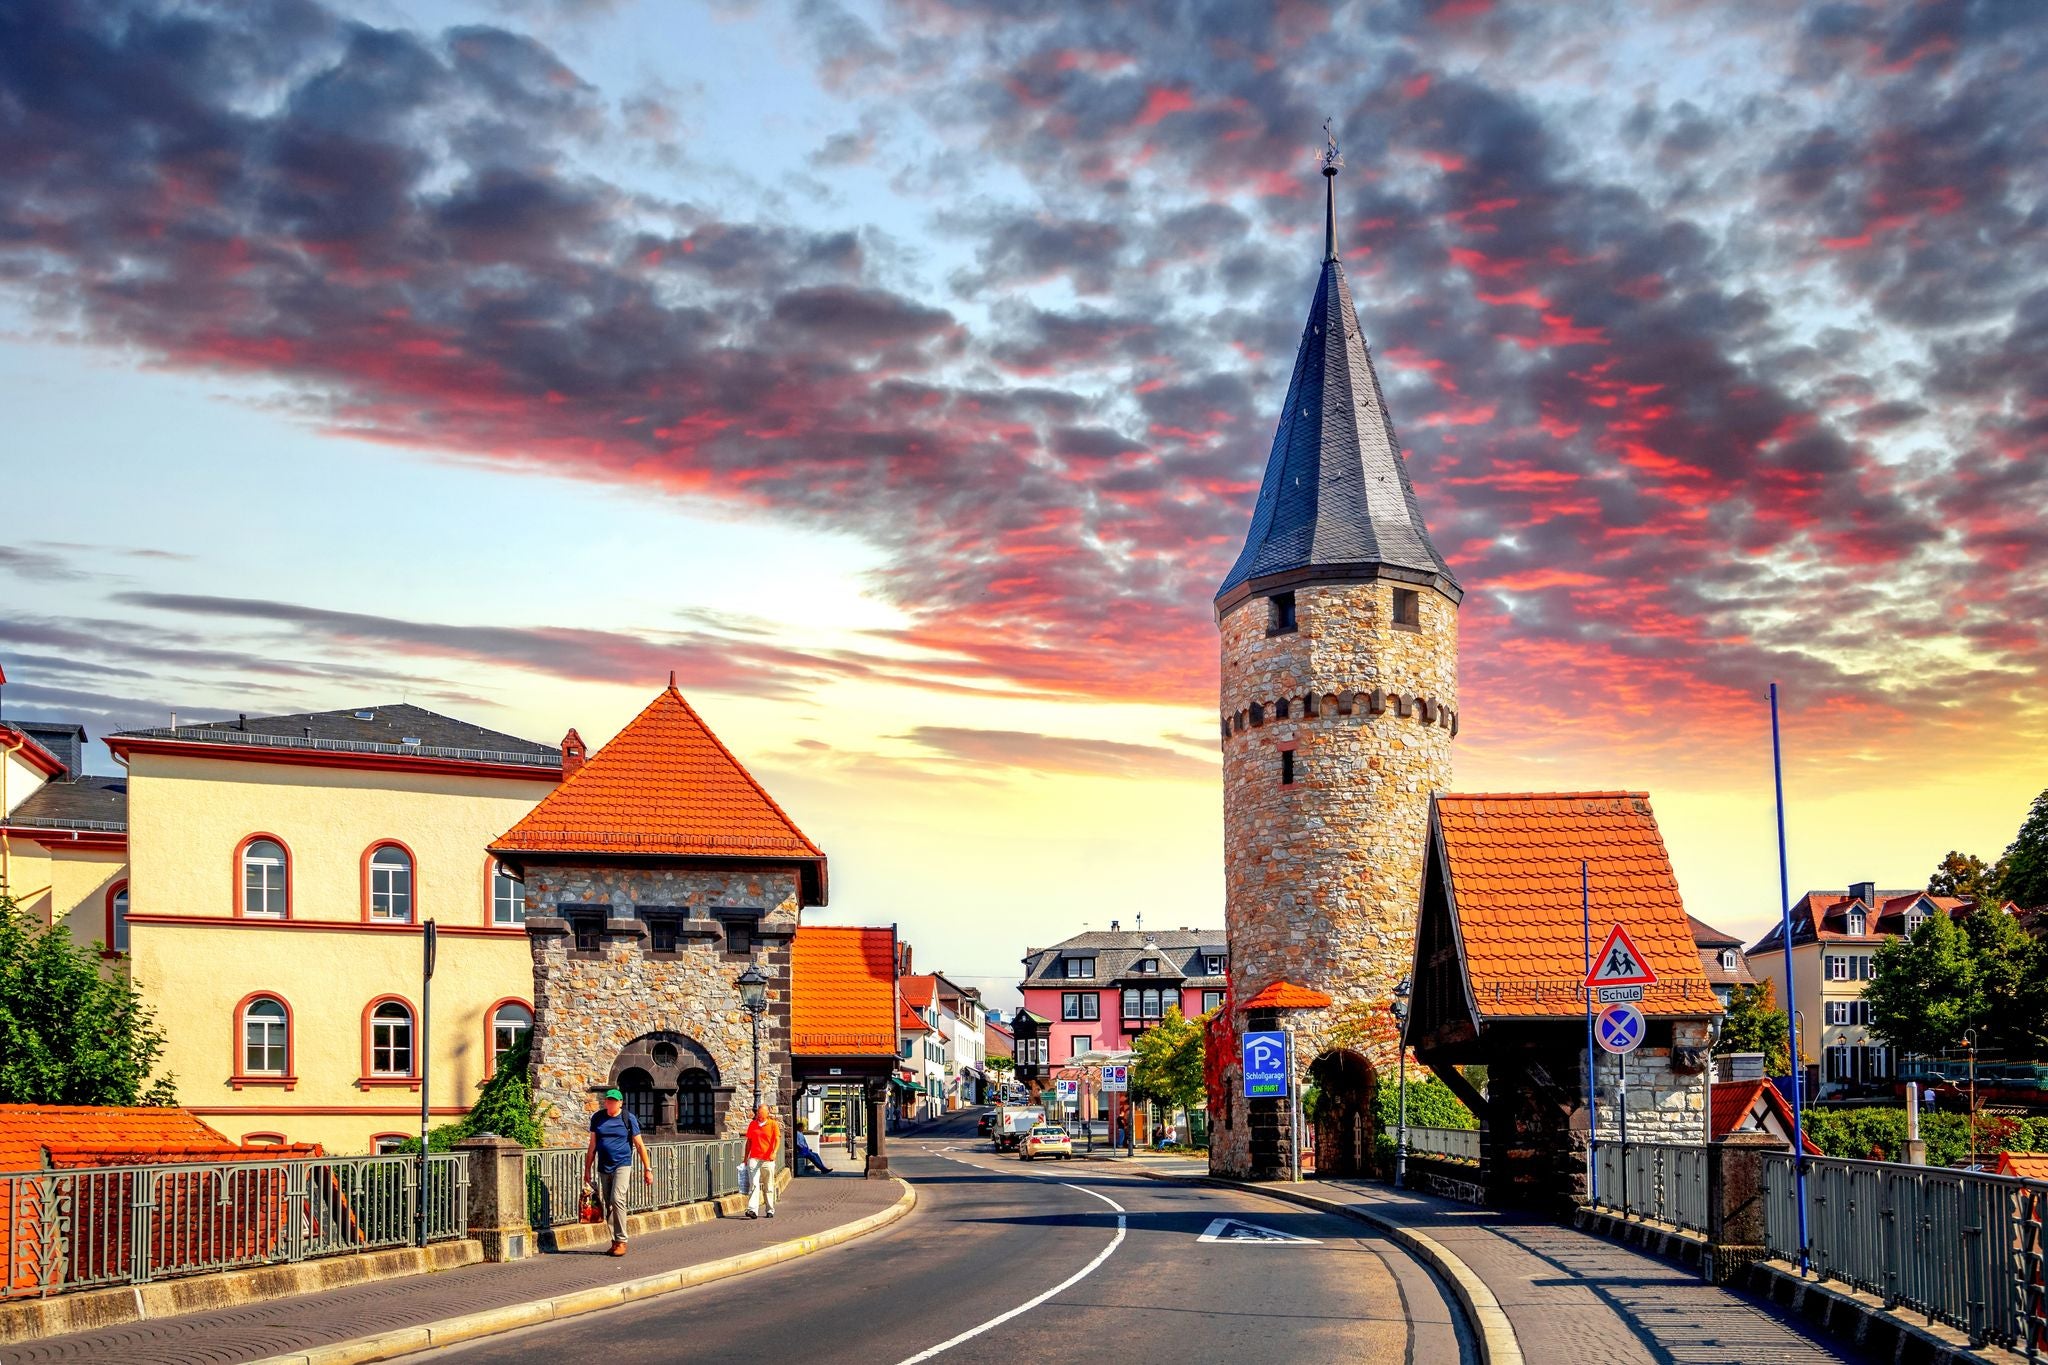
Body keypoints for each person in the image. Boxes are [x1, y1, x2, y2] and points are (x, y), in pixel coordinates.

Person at [584, 1087, 653, 1256]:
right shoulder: (598, 1118)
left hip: (622, 1164)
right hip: (604, 1166)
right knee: (609, 1203)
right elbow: (592, 1145)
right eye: (608, 1100)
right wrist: (587, 1169)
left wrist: (648, 1169)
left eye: (614, 1101)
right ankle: (614, 1241)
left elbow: (639, 1145)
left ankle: (622, 1240)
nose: (610, 1103)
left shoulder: (628, 1118)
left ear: (620, 1103)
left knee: (617, 1199)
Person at [745, 1103, 781, 1217]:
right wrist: (745, 1158)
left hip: (767, 1159)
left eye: (761, 1112)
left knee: (768, 1185)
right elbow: (749, 1141)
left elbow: (777, 1139)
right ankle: (752, 1210)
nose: (758, 1114)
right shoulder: (753, 1124)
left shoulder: (773, 1124)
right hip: (754, 1158)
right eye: (758, 1112)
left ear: (767, 1113)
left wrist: (774, 1152)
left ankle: (770, 1209)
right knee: (754, 1184)